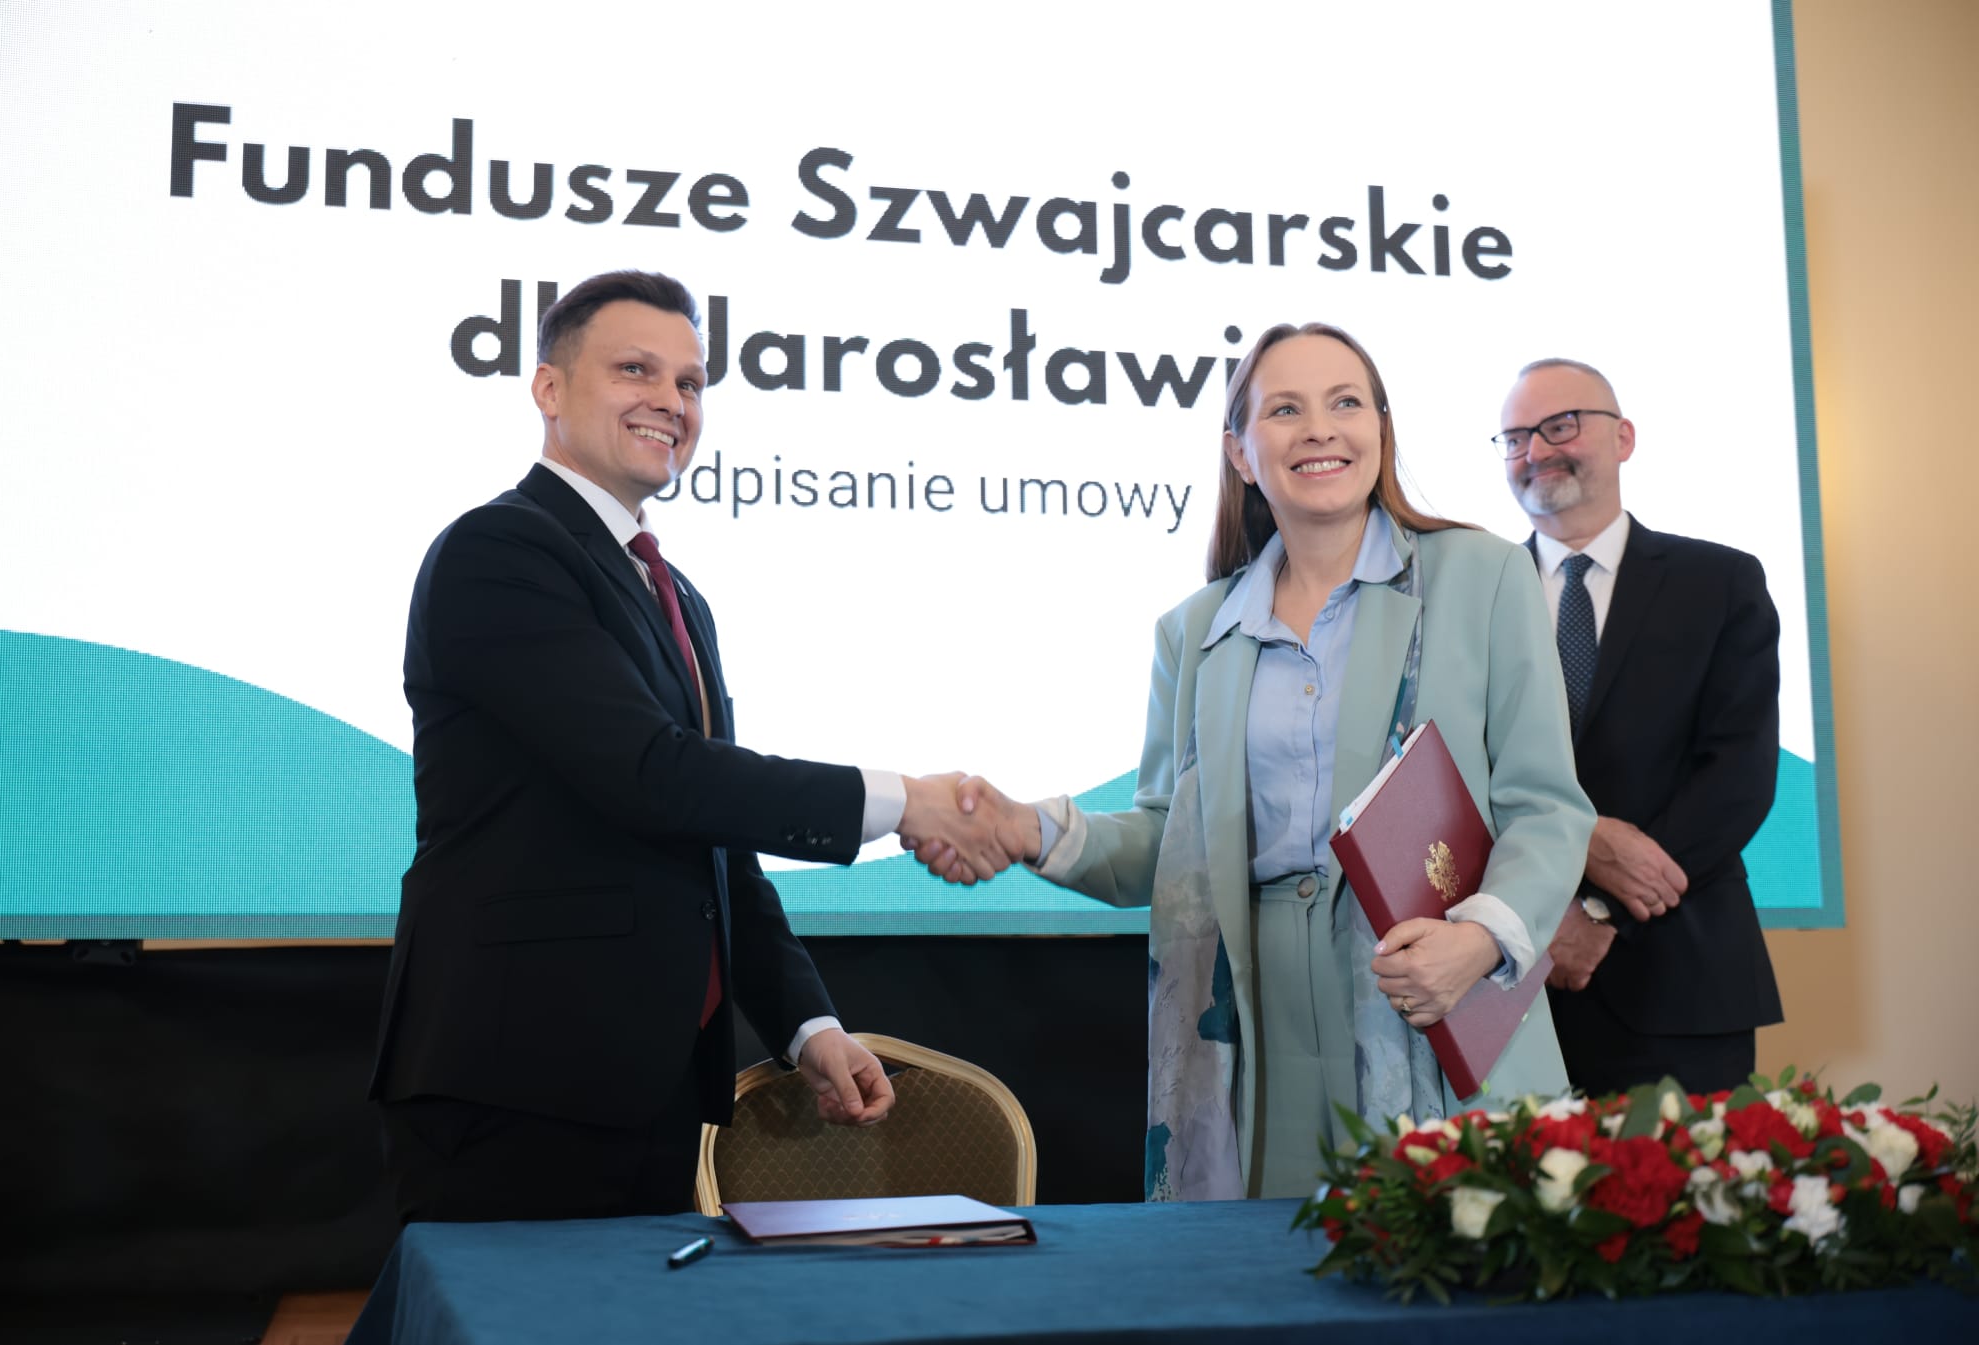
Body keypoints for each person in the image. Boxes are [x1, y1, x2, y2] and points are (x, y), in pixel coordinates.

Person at [366, 268, 1015, 1222]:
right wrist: (903, 800)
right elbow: (652, 775)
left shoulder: (677, 597)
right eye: (635, 370)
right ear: (549, 389)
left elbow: (715, 841)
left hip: (649, 1087)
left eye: (690, 382)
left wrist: (807, 1025)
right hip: (514, 1082)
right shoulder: (496, 553)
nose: (671, 401)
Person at [920, 324, 1593, 1200]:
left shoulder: (1485, 575)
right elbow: (1165, 846)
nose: (1319, 429)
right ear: (1240, 451)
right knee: (1277, 1262)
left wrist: (1478, 940)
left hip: (1434, 983)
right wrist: (1028, 830)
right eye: (1285, 410)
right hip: (1251, 1013)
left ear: (1381, 428)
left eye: (1345, 403)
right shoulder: (1195, 631)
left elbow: (1547, 806)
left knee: (1452, 1261)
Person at [1496, 357, 1783, 1096]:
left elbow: (1738, 779)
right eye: (1516, 437)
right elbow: (1449, 773)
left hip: (1679, 983)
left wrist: (1598, 911)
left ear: (1623, 437)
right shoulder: (1472, 595)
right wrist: (1575, 847)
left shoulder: (1720, 582)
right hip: (1506, 986)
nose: (1536, 451)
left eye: (1560, 425)